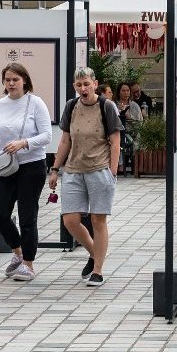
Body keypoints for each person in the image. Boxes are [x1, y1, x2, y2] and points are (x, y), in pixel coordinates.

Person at [0, 64, 52, 282]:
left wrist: (24, 143)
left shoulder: (35, 103)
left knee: (28, 216)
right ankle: (17, 253)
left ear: (24, 80)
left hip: (32, 166)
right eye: (7, 80)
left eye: (15, 79)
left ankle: (28, 263)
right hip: (6, 165)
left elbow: (47, 136)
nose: (11, 83)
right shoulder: (1, 104)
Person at [51, 67, 122, 288]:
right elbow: (65, 140)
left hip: (99, 169)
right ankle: (95, 254)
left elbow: (115, 141)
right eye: (79, 84)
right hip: (73, 170)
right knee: (70, 220)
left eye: (87, 84)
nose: (83, 88)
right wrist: (55, 169)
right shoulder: (71, 107)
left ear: (95, 83)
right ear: (74, 86)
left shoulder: (106, 106)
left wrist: (112, 171)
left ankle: (98, 271)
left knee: (97, 220)